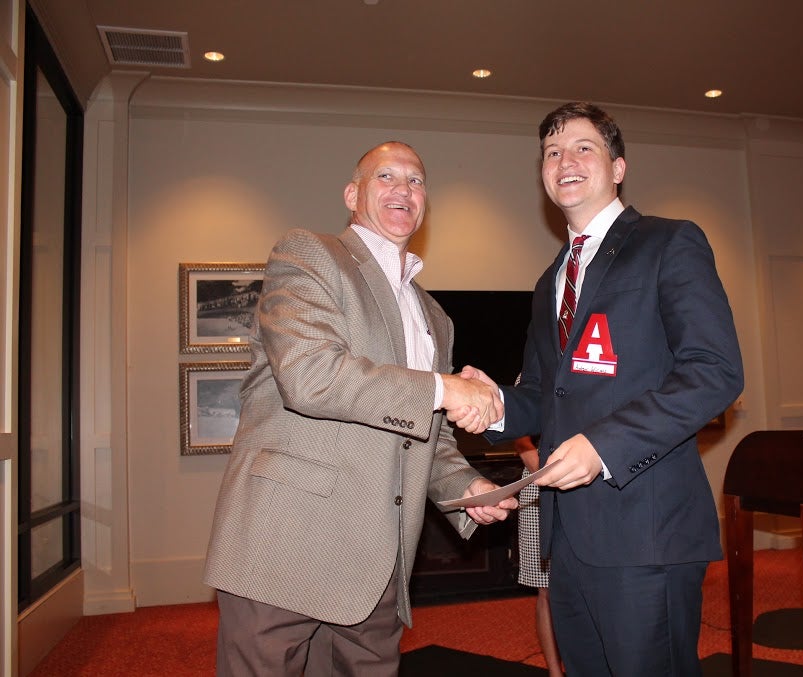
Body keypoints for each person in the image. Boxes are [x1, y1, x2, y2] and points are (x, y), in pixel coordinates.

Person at [204, 140, 516, 677]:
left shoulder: (435, 317)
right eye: (386, 177)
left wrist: (465, 487)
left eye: (415, 181)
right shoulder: (309, 255)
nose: (403, 189)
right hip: (286, 544)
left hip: (379, 562)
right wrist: (445, 389)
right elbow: (310, 375)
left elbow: (426, 434)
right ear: (353, 194)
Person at [471, 102, 744, 675]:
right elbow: (544, 394)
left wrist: (604, 446)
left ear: (618, 167)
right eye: (551, 152)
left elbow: (714, 370)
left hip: (647, 531)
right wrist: (491, 402)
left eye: (582, 148)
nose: (564, 160)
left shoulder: (670, 243)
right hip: (568, 538)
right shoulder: (552, 279)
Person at [513, 435, 564, 677]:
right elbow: (520, 439)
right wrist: (545, 475)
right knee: (545, 589)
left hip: (585, 479)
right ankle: (555, 672)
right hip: (537, 487)